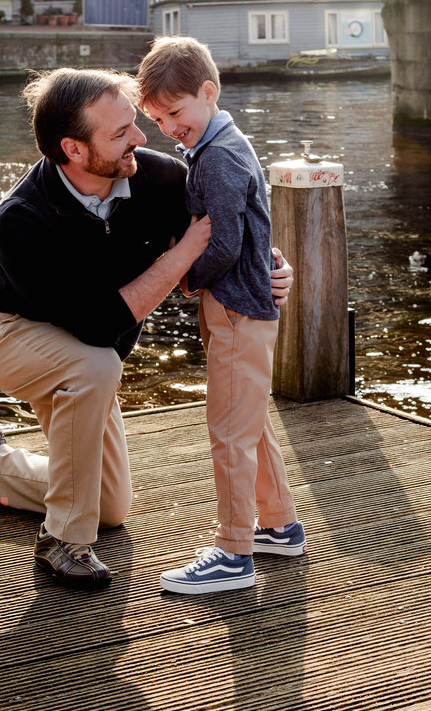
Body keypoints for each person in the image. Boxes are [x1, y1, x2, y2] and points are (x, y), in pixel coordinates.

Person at [0, 67, 294, 589]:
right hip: (7, 331)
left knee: (111, 506)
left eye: (136, 124)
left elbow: (232, 220)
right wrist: (183, 253)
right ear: (73, 149)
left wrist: (272, 268)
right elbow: (100, 325)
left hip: (82, 346)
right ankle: (63, 542)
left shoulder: (156, 177)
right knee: (95, 364)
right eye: (120, 133)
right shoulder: (20, 219)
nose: (141, 137)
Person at [137, 36, 306, 595]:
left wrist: (184, 276)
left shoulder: (220, 159)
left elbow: (226, 243)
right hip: (243, 306)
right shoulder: (217, 145)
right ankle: (278, 524)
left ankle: (234, 552)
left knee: (228, 433)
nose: (168, 127)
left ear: (208, 93)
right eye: (158, 118)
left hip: (236, 308)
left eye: (175, 113)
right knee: (247, 421)